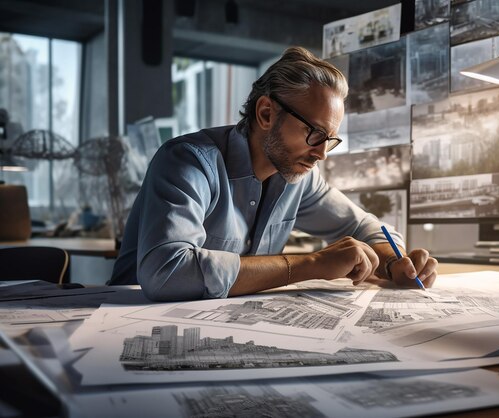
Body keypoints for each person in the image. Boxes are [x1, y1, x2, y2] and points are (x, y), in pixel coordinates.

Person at [109, 47, 438, 301]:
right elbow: (165, 274)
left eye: (330, 140)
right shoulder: (188, 162)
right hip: (123, 324)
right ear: (266, 113)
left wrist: (394, 262)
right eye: (314, 133)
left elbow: (363, 226)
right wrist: (310, 265)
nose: (322, 153)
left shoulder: (298, 177)